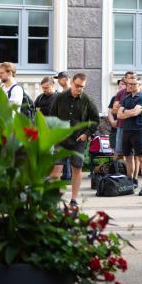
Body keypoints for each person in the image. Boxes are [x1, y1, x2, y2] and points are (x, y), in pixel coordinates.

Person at [49, 73, 100, 208]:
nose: (79, 89)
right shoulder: (59, 98)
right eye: (77, 86)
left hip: (79, 140)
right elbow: (52, 116)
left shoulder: (87, 100)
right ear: (71, 82)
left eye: (82, 87)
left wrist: (87, 134)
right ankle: (54, 198)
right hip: (61, 139)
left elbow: (95, 119)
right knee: (57, 168)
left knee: (76, 169)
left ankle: (74, 199)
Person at [117, 78, 142, 195]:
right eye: (129, 84)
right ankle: (129, 183)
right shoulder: (126, 98)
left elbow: (136, 113)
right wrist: (129, 112)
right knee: (128, 158)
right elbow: (119, 115)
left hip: (138, 130)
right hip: (126, 130)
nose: (130, 86)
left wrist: (126, 112)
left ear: (139, 84)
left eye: (133, 84)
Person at [107, 79, 126, 154]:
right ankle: (117, 165)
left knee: (127, 153)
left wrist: (118, 121)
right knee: (116, 152)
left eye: (123, 84)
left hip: (124, 127)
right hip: (115, 128)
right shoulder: (114, 98)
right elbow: (110, 111)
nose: (120, 85)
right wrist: (112, 121)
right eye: (119, 84)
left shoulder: (129, 97)